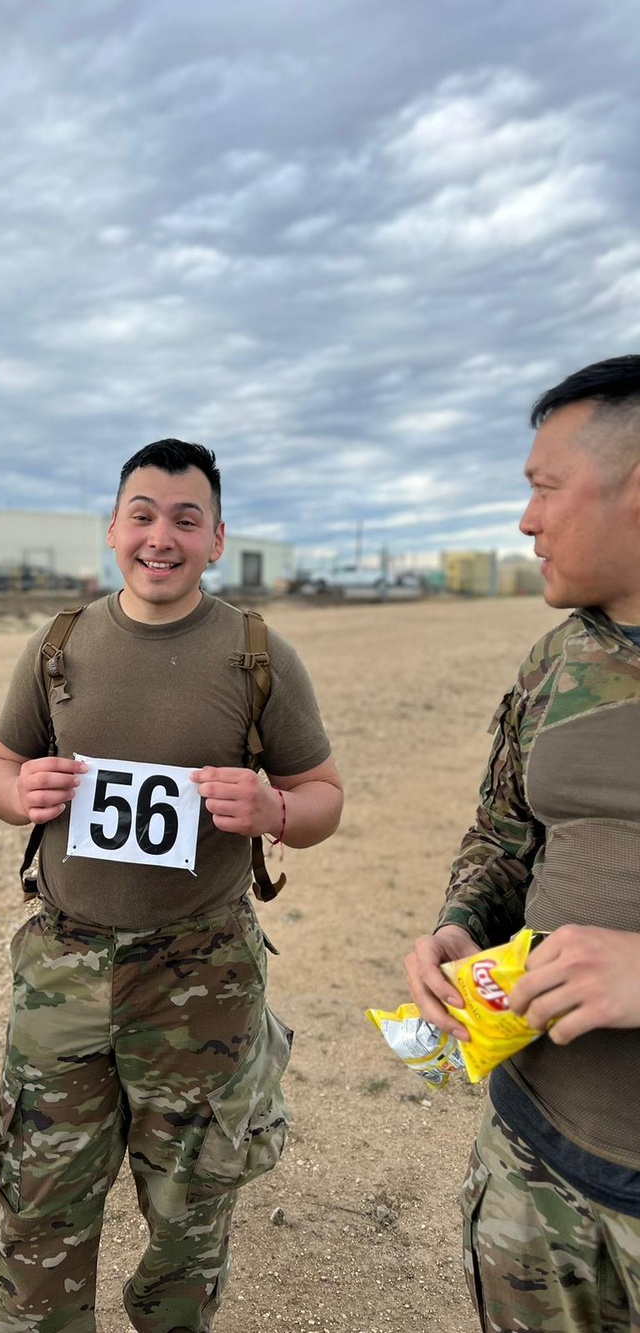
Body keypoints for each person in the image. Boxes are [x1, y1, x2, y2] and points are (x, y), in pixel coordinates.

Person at [0, 440, 342, 1333]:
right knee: (40, 1197)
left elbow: (325, 792)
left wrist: (274, 808)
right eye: (141, 513)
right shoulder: (59, 644)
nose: (161, 536)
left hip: (202, 974)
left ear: (217, 538)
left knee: (191, 1208)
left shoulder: (258, 655)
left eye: (186, 518)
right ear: (112, 529)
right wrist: (15, 792)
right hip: (64, 965)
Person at [404, 355, 640, 1332]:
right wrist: (461, 924)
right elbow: (504, 831)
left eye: (544, 488)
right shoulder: (559, 658)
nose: (524, 520)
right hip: (533, 1163)